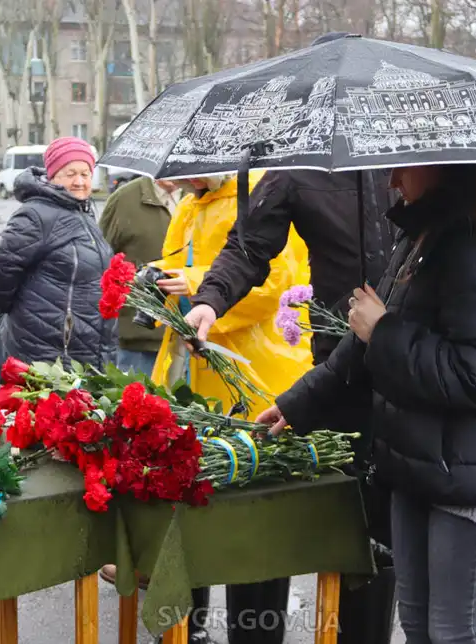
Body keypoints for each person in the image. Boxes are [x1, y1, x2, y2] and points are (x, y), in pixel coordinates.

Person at [256, 162, 476, 644]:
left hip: (474, 472)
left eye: (401, 169)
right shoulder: (423, 232)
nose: (390, 182)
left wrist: (385, 331)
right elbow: (361, 346)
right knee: (417, 623)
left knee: (455, 631)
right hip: (417, 463)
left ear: (441, 167)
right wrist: (299, 404)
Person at [180, 35, 399, 644]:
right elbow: (250, 245)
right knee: (289, 518)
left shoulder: (412, 157)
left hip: (411, 371)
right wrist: (207, 301)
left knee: (378, 550)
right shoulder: (298, 166)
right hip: (338, 372)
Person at [152, 173, 313, 644]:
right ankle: (191, 629)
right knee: (190, 518)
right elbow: (179, 266)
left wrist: (200, 286)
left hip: (256, 382)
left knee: (254, 533)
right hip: (194, 382)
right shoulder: (189, 207)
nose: (178, 178)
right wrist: (156, 274)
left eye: (186, 167)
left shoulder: (266, 195)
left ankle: (255, 634)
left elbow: (275, 283)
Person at [0, 137, 117, 381]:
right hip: (48, 355)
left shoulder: (82, 214)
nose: (79, 181)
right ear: (53, 175)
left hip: (82, 352)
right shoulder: (36, 214)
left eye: (86, 174)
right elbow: (0, 268)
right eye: (70, 173)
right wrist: (12, 311)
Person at [98, 175, 180, 375]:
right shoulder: (125, 199)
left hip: (190, 335)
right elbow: (101, 260)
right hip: (139, 337)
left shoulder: (199, 195)